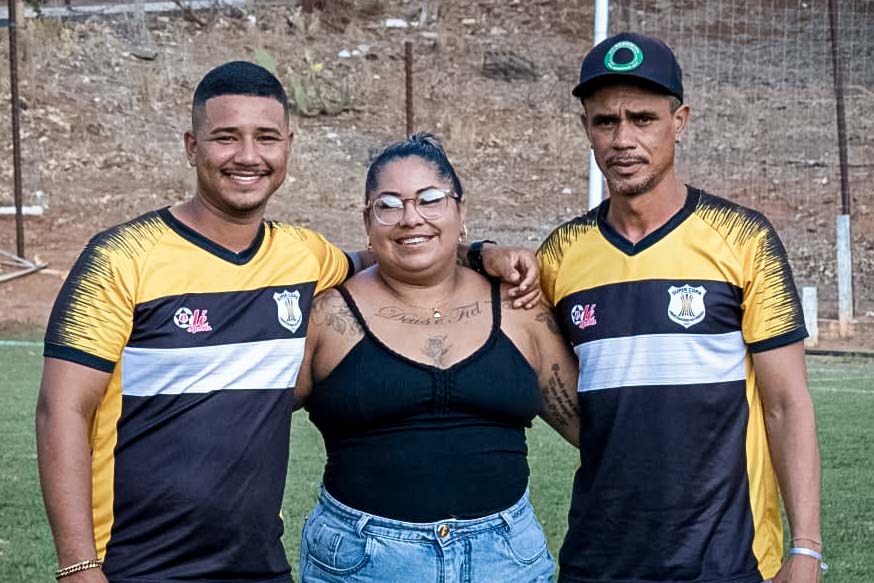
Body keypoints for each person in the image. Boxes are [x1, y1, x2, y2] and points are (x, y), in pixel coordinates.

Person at [35, 62, 540, 583]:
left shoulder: (304, 256)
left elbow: (395, 256)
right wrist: (79, 567)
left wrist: (482, 253)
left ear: (288, 148)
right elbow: (62, 409)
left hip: (256, 565)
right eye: (226, 138)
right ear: (191, 146)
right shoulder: (122, 256)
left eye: (266, 138)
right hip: (135, 564)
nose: (248, 156)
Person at [538, 33, 822, 583]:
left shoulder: (744, 238)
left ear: (680, 121)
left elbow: (787, 403)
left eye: (643, 119)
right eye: (605, 121)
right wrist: (484, 253)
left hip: (728, 562)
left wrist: (806, 548)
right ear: (586, 129)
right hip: (598, 560)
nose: (623, 139)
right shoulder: (560, 254)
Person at [292, 133, 581, 583]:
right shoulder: (327, 315)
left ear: (461, 212)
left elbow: (590, 427)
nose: (411, 218)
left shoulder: (521, 306)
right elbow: (250, 420)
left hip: (504, 561)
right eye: (388, 205)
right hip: (361, 563)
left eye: (430, 199)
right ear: (367, 222)